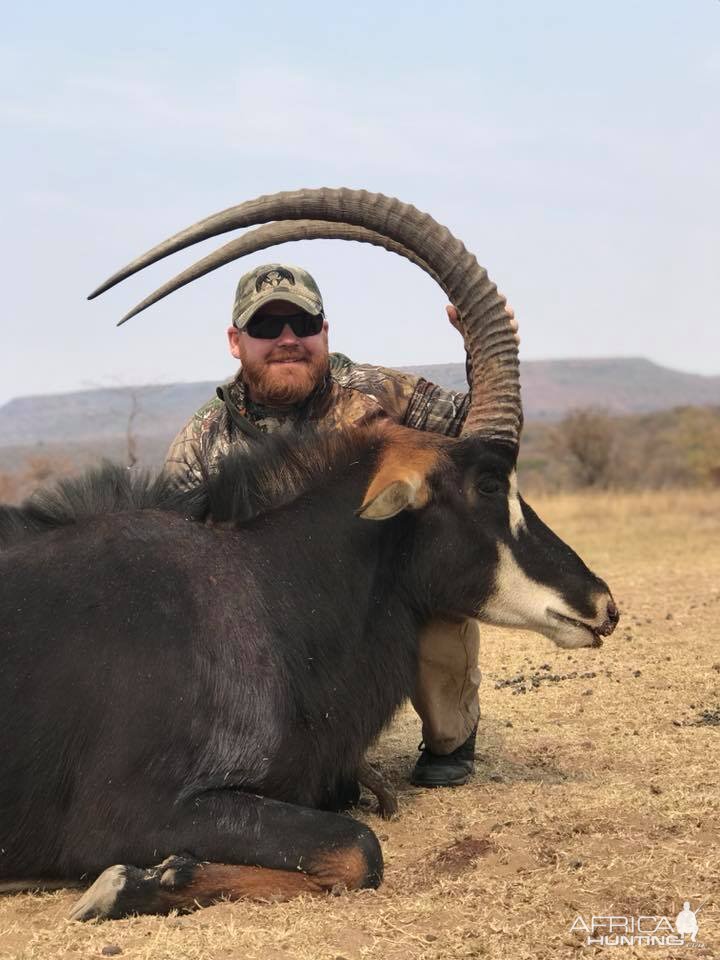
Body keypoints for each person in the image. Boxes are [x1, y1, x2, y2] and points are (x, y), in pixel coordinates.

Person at [165, 263, 498, 788]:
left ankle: (449, 736)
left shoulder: (376, 391)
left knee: (434, 592)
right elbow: (171, 550)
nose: (287, 340)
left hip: (376, 598)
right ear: (236, 341)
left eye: (302, 324)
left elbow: (485, 433)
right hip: (273, 622)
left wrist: (486, 349)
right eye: (266, 328)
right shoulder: (205, 438)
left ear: (324, 332)